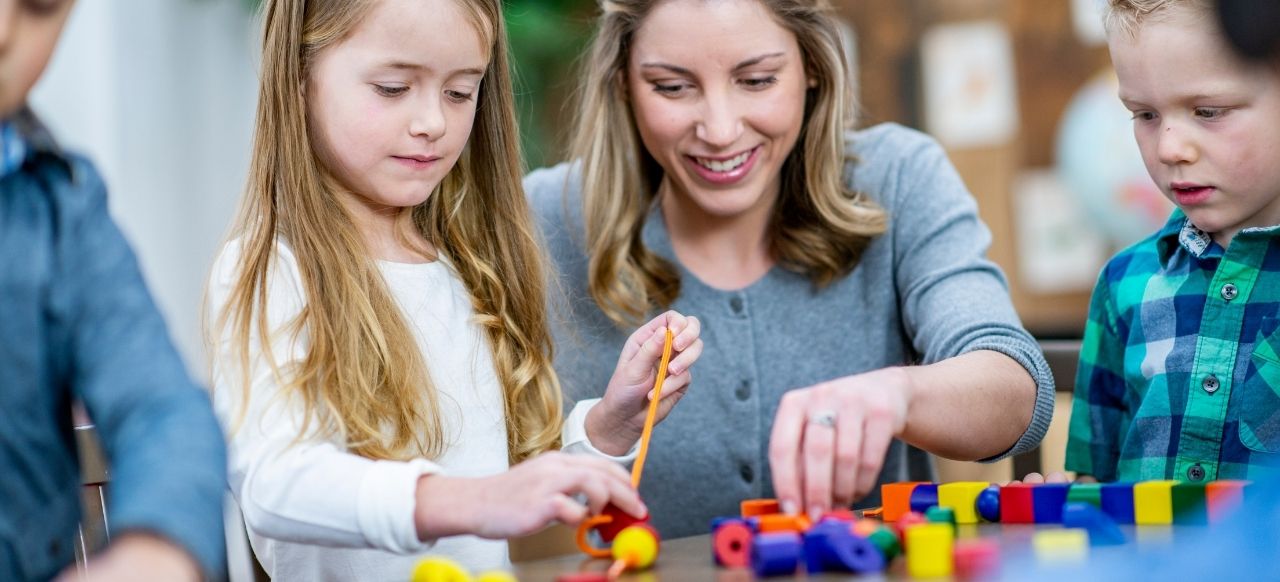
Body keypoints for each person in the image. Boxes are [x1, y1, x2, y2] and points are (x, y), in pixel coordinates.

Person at [205, 0, 702, 579]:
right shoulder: (271, 270)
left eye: (460, 92)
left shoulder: (464, 268)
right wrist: (469, 501)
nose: (433, 123)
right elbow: (276, 485)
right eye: (392, 88)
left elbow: (499, 498)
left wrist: (608, 428)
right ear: (297, 80)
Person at [525, 0, 1055, 537]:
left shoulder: (900, 179)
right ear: (622, 84)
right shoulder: (541, 219)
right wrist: (600, 434)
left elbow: (1016, 393)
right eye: (672, 87)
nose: (720, 129)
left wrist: (896, 394)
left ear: (813, 67)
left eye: (756, 80)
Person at [0, 1, 227, 581]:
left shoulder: (63, 211)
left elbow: (163, 409)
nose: (3, 30)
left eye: (40, 5)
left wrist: (156, 548)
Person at [1064, 0, 1280, 483]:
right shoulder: (1124, 283)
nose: (1168, 148)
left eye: (1208, 111)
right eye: (1143, 115)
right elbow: (1093, 486)